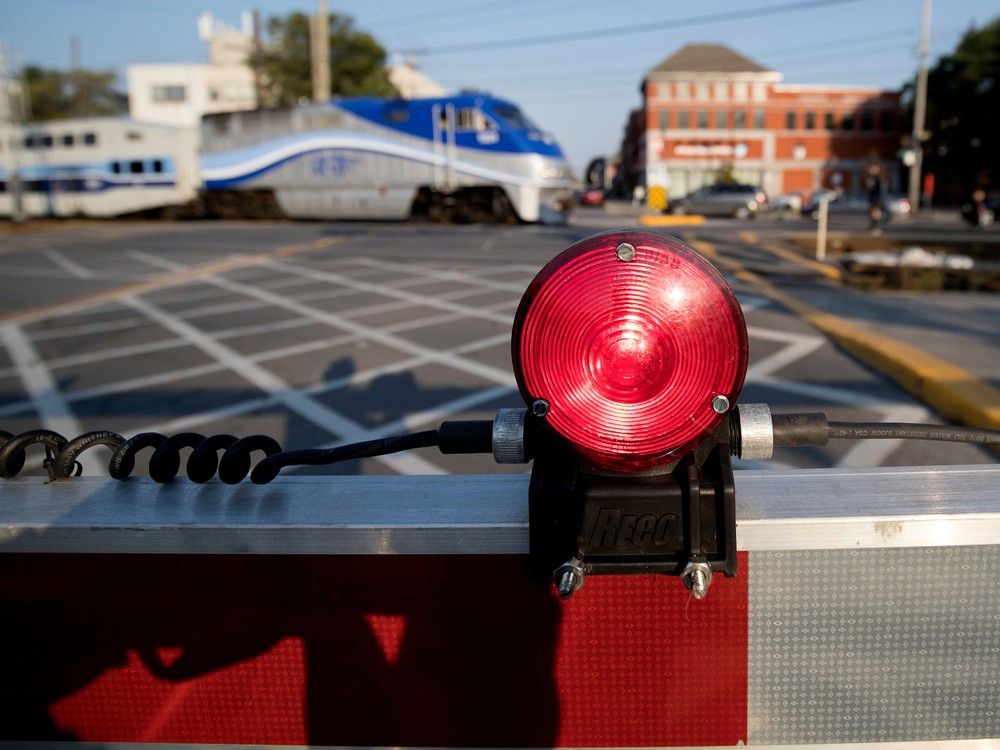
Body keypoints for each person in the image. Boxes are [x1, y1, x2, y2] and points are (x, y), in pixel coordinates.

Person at [864, 164, 884, 236]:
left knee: (876, 214)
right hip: (873, 199)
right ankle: (873, 227)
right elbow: (870, 189)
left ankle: (875, 227)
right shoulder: (872, 178)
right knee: (874, 213)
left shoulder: (877, 178)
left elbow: (879, 190)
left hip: (877, 199)